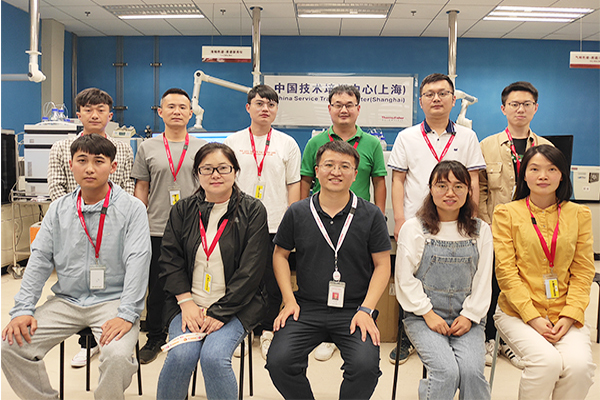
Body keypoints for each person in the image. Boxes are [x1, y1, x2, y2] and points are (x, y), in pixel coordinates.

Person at [1, 134, 151, 400]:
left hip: (113, 302)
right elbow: (39, 260)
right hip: (67, 301)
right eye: (82, 160)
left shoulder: (132, 209)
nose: (90, 168)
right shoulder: (58, 209)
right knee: (10, 346)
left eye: (98, 161)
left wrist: (127, 314)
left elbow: (138, 262)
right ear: (71, 165)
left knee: (117, 356)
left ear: (113, 167)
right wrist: (23, 309)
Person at [266, 141, 391, 399]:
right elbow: (280, 255)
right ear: (317, 171)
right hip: (306, 306)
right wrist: (289, 300)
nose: (336, 172)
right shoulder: (298, 212)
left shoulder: (371, 215)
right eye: (329, 165)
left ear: (355, 174)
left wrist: (367, 309)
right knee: (279, 361)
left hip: (354, 308)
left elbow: (382, 265)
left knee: (365, 367)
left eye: (345, 166)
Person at [156, 143, 270, 400]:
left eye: (223, 168)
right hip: (188, 304)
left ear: (235, 171)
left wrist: (220, 311)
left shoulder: (253, 210)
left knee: (214, 358)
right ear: (197, 174)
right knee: (180, 356)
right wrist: (186, 302)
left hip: (236, 306)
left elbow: (251, 270)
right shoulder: (182, 210)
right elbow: (170, 259)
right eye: (207, 169)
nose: (215, 175)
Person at [388, 73, 486, 364]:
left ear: (453, 100)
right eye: (429, 94)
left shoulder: (467, 137)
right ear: (420, 101)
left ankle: (457, 328)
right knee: (409, 275)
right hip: (416, 223)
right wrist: (399, 219)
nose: (436, 99)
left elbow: (473, 179)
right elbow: (398, 180)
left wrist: (472, 216)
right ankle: (408, 336)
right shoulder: (407, 136)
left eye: (443, 94)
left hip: (455, 220)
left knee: (451, 278)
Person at [493, 144, 595, 400]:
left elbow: (583, 271)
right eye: (535, 169)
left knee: (579, 368)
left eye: (551, 169)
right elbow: (506, 273)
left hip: (565, 312)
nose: (543, 176)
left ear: (562, 175)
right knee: (547, 363)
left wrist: (570, 315)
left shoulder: (579, 214)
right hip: (518, 313)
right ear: (524, 176)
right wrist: (533, 317)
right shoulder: (506, 214)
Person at [47, 87, 135, 367]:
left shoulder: (122, 148)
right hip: (73, 229)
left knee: (111, 282)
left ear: (110, 115)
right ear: (79, 114)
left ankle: (112, 338)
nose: (94, 115)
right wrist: (74, 219)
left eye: (100, 110)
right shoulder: (61, 148)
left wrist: (117, 218)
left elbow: (128, 184)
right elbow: (56, 187)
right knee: (79, 282)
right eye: (88, 110)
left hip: (113, 228)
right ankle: (88, 344)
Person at [299, 84, 387, 360]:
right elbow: (305, 180)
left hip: (358, 224)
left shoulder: (372, 143)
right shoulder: (315, 143)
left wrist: (379, 217)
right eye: (338, 104)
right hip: (321, 221)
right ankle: (327, 334)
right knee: (324, 271)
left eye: (349, 104)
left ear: (358, 109)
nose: (344, 109)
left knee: (354, 274)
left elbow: (379, 182)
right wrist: (302, 215)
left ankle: (351, 324)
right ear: (329, 108)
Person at [396, 160, 493, 400]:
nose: (450, 193)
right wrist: (427, 313)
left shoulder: (481, 230)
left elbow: (483, 280)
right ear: (430, 189)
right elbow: (404, 280)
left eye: (458, 186)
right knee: (446, 372)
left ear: (468, 191)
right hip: (423, 317)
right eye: (442, 185)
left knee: (472, 372)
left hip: (468, 318)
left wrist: (470, 316)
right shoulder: (413, 228)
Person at [224, 84, 301, 360]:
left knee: (271, 281)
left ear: (276, 109)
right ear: (248, 107)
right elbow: (225, 182)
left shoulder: (287, 143)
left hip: (275, 223)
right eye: (259, 103)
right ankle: (241, 330)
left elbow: (294, 184)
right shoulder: (232, 142)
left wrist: (291, 222)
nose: (265, 108)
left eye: (271, 104)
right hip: (238, 223)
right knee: (239, 279)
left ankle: (268, 330)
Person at [479, 81, 553, 368]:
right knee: (493, 285)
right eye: (514, 104)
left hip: (533, 231)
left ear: (535, 108)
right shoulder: (487, 146)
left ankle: (512, 342)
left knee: (525, 285)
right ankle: (489, 338)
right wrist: (486, 224)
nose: (520, 109)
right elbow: (480, 189)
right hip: (496, 230)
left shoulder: (546, 148)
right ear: (503, 108)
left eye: (526, 104)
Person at [132, 88, 206, 364]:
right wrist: (139, 221)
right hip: (157, 227)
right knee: (157, 285)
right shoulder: (147, 147)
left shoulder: (202, 148)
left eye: (182, 107)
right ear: (160, 112)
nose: (177, 111)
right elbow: (142, 187)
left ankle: (193, 328)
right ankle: (155, 335)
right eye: (171, 107)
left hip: (195, 228)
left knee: (193, 282)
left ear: (191, 113)